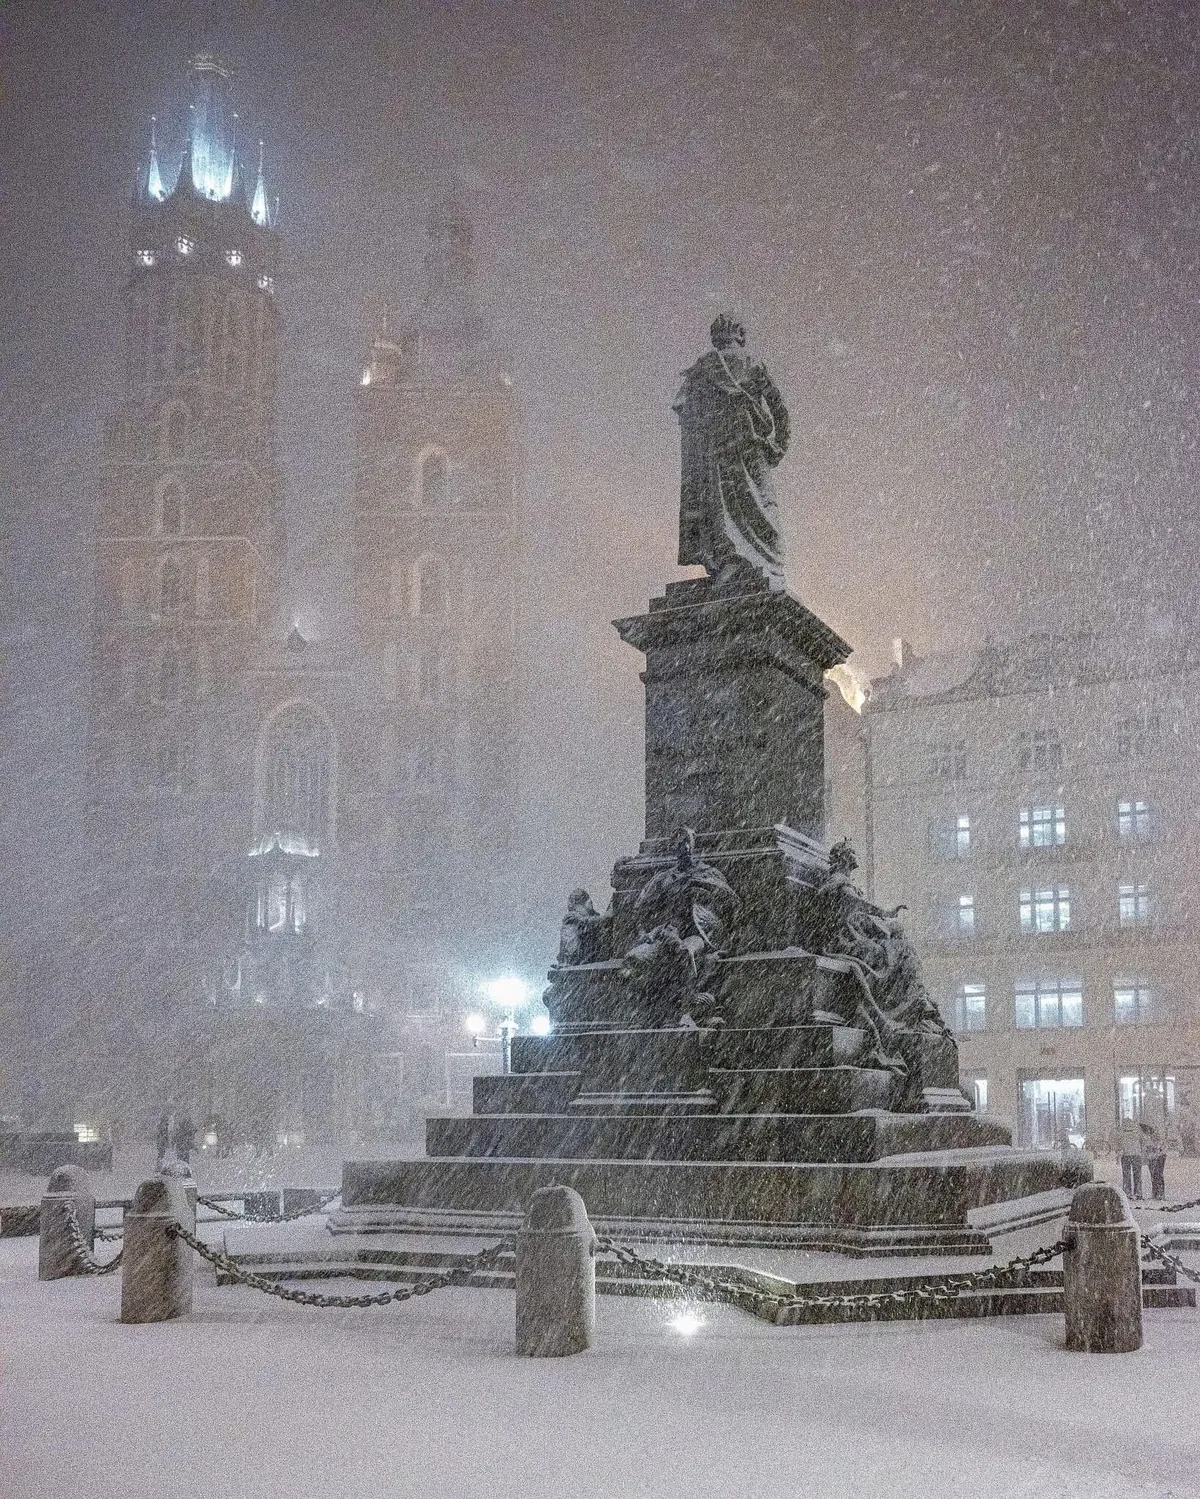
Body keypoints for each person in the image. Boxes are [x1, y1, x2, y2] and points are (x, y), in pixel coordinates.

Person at [1117, 1115, 1143, 1199]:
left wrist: (1118, 1154)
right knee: (1137, 1175)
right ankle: (1138, 1192)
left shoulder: (1121, 1132)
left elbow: (1119, 1144)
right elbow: (1142, 1141)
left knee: (1126, 1175)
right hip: (1136, 1155)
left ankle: (1127, 1191)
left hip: (1126, 1155)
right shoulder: (1137, 1130)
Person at [1140, 1118, 1167, 1201]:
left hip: (1159, 1157)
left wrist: (1154, 1151)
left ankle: (1160, 1193)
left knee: (1158, 1174)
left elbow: (1159, 1147)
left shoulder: (1155, 1134)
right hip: (1153, 1157)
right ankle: (1156, 1193)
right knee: (1154, 1175)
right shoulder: (1148, 1136)